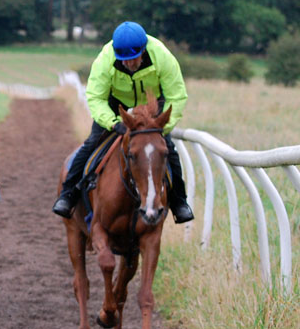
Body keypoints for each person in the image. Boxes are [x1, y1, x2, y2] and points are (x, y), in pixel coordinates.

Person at [52, 21, 195, 223]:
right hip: (114, 104)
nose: (128, 64)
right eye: (124, 60)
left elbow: (177, 95)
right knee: (92, 143)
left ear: (143, 50)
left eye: (133, 59)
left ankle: (180, 202)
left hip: (152, 108)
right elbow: (95, 97)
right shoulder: (105, 59)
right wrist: (112, 123)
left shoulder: (161, 55)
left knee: (167, 149)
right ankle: (68, 195)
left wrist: (162, 127)